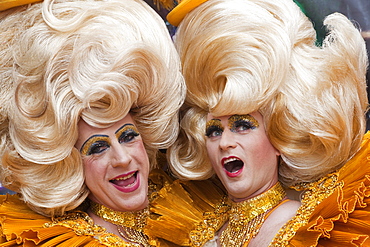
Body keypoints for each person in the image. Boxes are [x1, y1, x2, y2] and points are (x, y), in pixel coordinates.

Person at [148, 0, 370, 246]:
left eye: (242, 126)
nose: (225, 142)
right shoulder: (194, 226)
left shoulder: (312, 229)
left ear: (279, 135)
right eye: (213, 131)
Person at [0, 0, 185, 245]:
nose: (122, 158)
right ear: (69, 165)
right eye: (97, 148)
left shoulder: (189, 210)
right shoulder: (68, 242)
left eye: (128, 136)